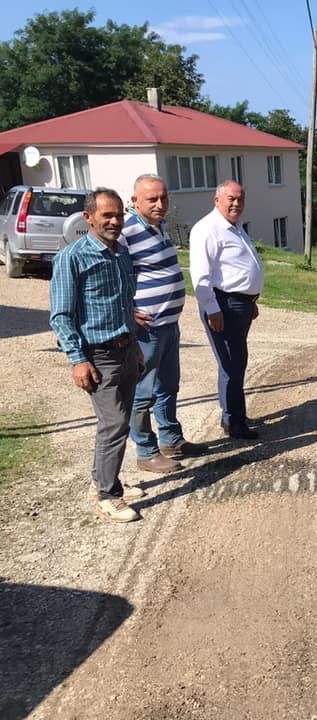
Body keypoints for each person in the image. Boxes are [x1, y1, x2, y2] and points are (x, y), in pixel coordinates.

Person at [49, 188, 144, 523]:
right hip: (98, 356)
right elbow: (61, 316)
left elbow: (125, 303)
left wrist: (135, 344)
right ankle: (106, 494)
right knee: (114, 424)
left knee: (120, 422)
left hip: (126, 349)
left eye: (119, 215)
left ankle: (108, 481)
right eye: (108, 215)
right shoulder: (72, 258)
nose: (116, 221)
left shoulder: (121, 253)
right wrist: (77, 359)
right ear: (88, 218)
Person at [121, 174, 206, 471]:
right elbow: (116, 278)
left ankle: (171, 438)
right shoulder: (127, 232)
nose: (160, 204)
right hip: (147, 330)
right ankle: (146, 451)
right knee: (142, 392)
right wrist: (127, 312)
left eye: (164, 198)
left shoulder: (159, 226)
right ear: (135, 201)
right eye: (152, 199)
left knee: (168, 385)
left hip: (169, 324)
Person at [189, 181, 264, 440]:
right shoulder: (207, 229)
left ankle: (232, 414)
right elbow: (200, 275)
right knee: (232, 364)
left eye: (240, 199)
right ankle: (234, 421)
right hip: (224, 305)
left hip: (239, 305)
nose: (236, 203)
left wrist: (250, 301)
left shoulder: (235, 227)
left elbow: (237, 268)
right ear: (217, 200)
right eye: (231, 198)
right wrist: (212, 308)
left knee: (235, 362)